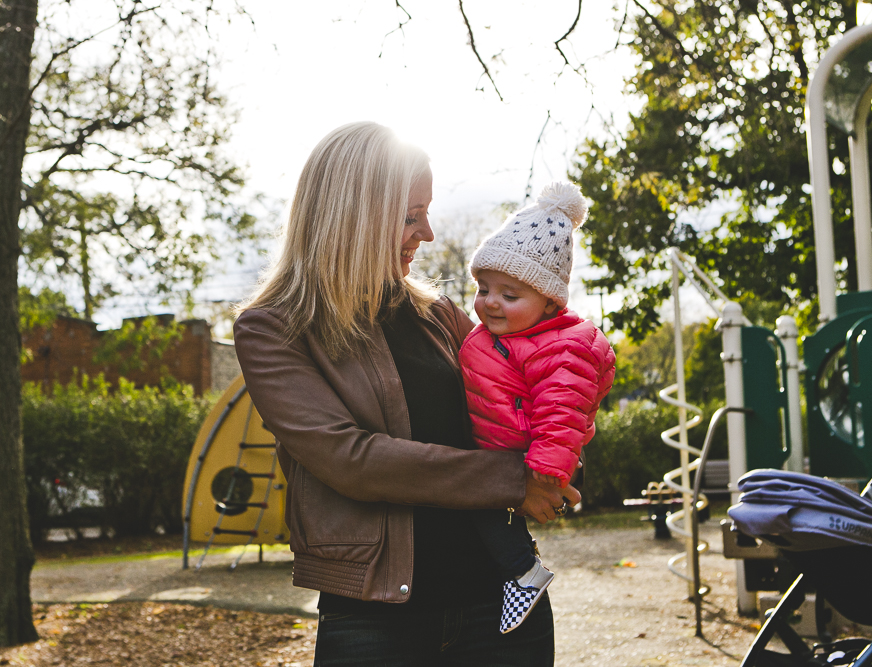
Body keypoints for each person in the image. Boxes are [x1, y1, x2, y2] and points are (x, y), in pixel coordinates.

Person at [232, 121, 574, 666]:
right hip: (374, 620)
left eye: (426, 213)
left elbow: (526, 389)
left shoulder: (439, 316)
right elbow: (352, 460)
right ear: (353, 216)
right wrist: (515, 479)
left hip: (499, 605)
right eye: (411, 217)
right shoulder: (274, 330)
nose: (429, 233)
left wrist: (564, 422)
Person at [459, 181, 616, 634]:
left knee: (485, 511)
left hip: (518, 454)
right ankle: (518, 569)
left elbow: (563, 407)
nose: (490, 302)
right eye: (484, 287)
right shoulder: (503, 335)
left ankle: (524, 574)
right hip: (495, 449)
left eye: (509, 296)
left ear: (549, 302)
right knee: (481, 511)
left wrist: (546, 465)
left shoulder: (560, 347)